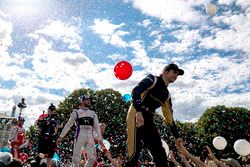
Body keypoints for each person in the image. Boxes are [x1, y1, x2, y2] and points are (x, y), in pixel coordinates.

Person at [126, 63, 184, 167]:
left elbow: (169, 118)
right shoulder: (153, 79)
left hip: (148, 119)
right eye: (174, 72)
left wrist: (177, 136)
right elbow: (135, 91)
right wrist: (138, 111)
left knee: (160, 153)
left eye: (177, 74)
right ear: (165, 71)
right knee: (134, 151)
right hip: (136, 114)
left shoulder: (167, 95)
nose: (176, 76)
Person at [57, 94, 104, 167]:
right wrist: (61, 136)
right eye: (86, 100)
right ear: (82, 101)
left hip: (90, 137)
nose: (88, 101)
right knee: (76, 159)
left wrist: (99, 138)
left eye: (89, 100)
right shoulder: (76, 112)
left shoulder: (93, 114)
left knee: (92, 158)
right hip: (80, 135)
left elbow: (97, 127)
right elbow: (68, 125)